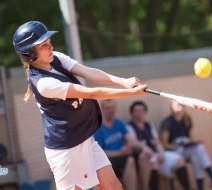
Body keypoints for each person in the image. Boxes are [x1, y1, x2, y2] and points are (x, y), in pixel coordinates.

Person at [13, 21, 148, 190]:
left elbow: (88, 71)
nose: (51, 47)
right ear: (29, 54)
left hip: (84, 138)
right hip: (66, 149)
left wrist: (123, 82)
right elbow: (90, 93)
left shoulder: (56, 59)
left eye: (49, 42)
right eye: (44, 45)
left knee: (113, 186)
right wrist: (131, 93)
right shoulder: (43, 83)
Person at [160, 100, 212, 190]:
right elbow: (165, 144)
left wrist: (189, 143)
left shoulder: (187, 120)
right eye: (178, 105)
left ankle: (201, 187)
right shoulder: (168, 122)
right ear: (172, 107)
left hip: (186, 150)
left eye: (183, 105)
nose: (181, 108)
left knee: (196, 157)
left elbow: (191, 139)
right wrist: (178, 146)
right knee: (198, 149)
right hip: (174, 152)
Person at [127, 101, 191, 190]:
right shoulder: (129, 127)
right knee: (153, 161)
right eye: (137, 111)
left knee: (179, 159)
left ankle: (187, 188)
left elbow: (157, 142)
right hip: (145, 157)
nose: (139, 113)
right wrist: (149, 150)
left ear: (145, 112)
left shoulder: (149, 125)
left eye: (142, 111)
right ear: (132, 113)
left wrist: (161, 153)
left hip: (157, 155)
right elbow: (134, 142)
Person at [94, 99, 152, 190]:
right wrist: (120, 152)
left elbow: (129, 137)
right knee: (130, 160)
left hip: (123, 155)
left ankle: (145, 187)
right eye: (108, 108)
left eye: (113, 107)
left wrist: (130, 145)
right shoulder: (98, 128)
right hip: (109, 160)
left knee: (143, 155)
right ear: (103, 109)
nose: (111, 110)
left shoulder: (118, 122)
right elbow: (100, 153)